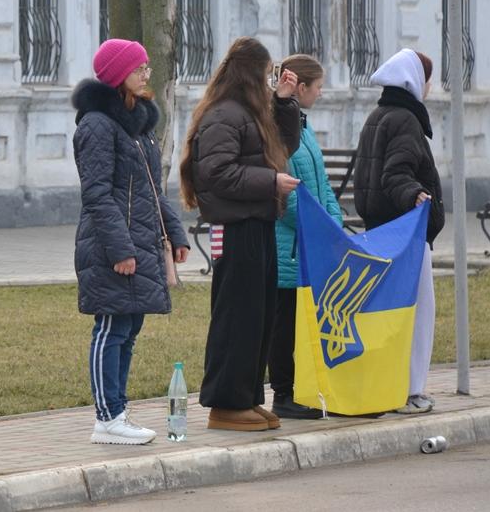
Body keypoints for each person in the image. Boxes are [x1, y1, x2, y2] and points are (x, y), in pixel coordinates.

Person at [72, 39, 190, 445]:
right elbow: (98, 195)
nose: (146, 74)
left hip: (139, 241)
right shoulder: (97, 126)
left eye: (146, 67)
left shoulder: (136, 126)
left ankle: (118, 411)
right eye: (138, 68)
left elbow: (153, 192)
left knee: (129, 326)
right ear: (118, 75)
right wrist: (120, 250)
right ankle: (106, 417)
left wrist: (176, 234)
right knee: (111, 326)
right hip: (112, 246)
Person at [180, 36, 301, 432]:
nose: (270, 82)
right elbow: (215, 173)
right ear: (250, 74)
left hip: (258, 221)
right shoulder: (225, 115)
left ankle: (248, 397)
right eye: (268, 76)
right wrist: (270, 182)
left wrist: (284, 102)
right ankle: (226, 403)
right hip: (237, 228)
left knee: (260, 316)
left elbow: (283, 145)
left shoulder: (251, 113)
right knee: (238, 316)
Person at [354, 49, 445, 414]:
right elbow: (395, 174)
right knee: (417, 314)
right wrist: (416, 196)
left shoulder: (378, 115)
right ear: (414, 80)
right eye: (427, 77)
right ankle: (411, 391)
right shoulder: (406, 120)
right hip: (406, 234)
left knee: (387, 317)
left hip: (380, 232)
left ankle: (387, 388)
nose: (430, 85)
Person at [270, 54, 343, 420]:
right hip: (289, 244)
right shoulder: (279, 128)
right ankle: (283, 393)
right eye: (317, 85)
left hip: (312, 239)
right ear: (300, 87)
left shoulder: (304, 125)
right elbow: (284, 189)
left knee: (303, 321)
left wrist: (334, 220)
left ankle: (302, 388)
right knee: (284, 325)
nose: (321, 91)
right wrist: (316, 226)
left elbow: (321, 183)